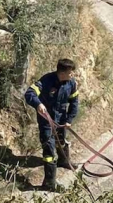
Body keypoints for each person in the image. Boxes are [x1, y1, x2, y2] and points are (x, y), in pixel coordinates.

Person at [24, 59, 79, 192]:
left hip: (61, 120)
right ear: (62, 73)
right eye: (70, 72)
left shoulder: (71, 83)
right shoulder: (46, 81)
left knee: (61, 141)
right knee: (49, 151)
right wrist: (38, 104)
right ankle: (49, 183)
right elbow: (29, 94)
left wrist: (69, 119)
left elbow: (74, 102)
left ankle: (64, 161)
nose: (72, 75)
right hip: (46, 122)